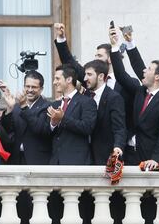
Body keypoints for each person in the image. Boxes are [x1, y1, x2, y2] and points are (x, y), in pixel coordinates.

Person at [54, 23, 138, 164]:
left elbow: (120, 126)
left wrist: (118, 147)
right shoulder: (90, 80)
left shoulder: (126, 84)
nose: (95, 58)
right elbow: (71, 64)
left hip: (114, 149)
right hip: (88, 151)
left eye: (99, 56)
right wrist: (62, 39)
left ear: (110, 58)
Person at [109, 27, 159, 169]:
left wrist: (156, 159)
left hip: (149, 157)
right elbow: (121, 75)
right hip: (129, 153)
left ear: (157, 76)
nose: (145, 70)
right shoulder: (140, 92)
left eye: (149, 69)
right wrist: (116, 46)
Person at [47, 64, 97, 165]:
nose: (54, 82)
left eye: (57, 79)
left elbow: (87, 127)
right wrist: (53, 124)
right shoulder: (55, 104)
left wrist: (63, 118)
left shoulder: (86, 102)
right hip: (55, 162)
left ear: (69, 79)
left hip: (76, 162)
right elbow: (48, 134)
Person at [1, 71, 52, 165]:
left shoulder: (47, 107)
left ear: (41, 89)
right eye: (27, 86)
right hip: (16, 159)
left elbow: (40, 129)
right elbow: (6, 130)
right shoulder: (17, 106)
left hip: (37, 160)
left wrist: (24, 107)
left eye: (34, 87)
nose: (30, 89)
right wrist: (9, 108)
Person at [83, 59, 126, 164]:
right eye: (85, 74)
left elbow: (119, 127)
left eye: (89, 74)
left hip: (104, 155)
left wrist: (118, 147)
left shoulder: (114, 98)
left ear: (101, 76)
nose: (85, 78)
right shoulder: (86, 95)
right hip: (85, 155)